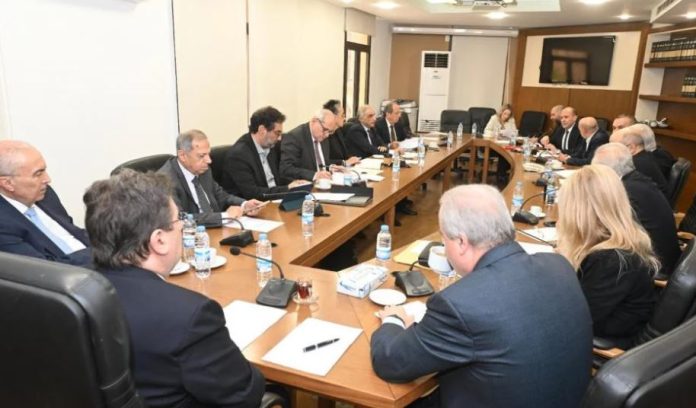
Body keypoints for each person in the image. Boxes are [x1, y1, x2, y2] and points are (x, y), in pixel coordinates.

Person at [371, 185, 592, 408]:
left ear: (461, 242)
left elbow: (391, 362)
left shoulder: (460, 304)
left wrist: (394, 319)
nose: (444, 247)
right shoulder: (559, 265)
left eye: (444, 239)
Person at [83, 170, 265, 408]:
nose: (182, 227)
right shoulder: (190, 316)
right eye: (179, 220)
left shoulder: (72, 296)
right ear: (159, 240)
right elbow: (244, 396)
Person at [556, 164, 658, 342]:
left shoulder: (611, 261)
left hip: (602, 346)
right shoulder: (613, 243)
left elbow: (576, 321)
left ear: (578, 210)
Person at [593, 143, 681, 278]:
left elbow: (610, 232)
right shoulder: (636, 180)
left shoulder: (627, 191)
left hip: (654, 265)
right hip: (663, 257)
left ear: (606, 170)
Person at [0, 140, 91, 266]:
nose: (47, 179)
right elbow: (44, 268)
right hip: (72, 273)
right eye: (38, 174)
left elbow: (73, 232)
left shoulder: (45, 194)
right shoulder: (3, 224)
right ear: (8, 183)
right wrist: (101, 254)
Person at [158, 129, 263, 227]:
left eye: (208, 154)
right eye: (201, 156)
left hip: (217, 230)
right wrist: (224, 217)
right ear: (182, 156)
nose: (209, 160)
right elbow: (180, 218)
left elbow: (221, 195)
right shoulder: (165, 180)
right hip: (192, 235)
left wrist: (244, 204)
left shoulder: (203, 170)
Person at [221, 106, 308, 200]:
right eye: (277, 133)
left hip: (274, 200)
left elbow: (278, 178)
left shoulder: (270, 145)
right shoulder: (238, 155)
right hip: (253, 205)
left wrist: (296, 184)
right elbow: (252, 193)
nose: (279, 138)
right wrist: (287, 189)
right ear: (262, 130)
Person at [279, 109, 338, 184]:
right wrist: (314, 175)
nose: (327, 135)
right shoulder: (294, 137)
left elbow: (320, 163)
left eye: (330, 131)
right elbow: (286, 169)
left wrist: (331, 167)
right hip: (307, 185)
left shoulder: (323, 137)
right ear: (314, 121)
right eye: (325, 129)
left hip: (326, 183)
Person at [610, 124, 669, 197]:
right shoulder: (645, 156)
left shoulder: (635, 164)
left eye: (614, 147)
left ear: (631, 148)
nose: (610, 151)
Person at [323, 99, 360, 167]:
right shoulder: (324, 134)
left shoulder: (338, 130)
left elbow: (345, 154)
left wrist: (352, 159)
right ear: (333, 116)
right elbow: (324, 161)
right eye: (342, 115)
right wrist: (344, 162)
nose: (344, 118)